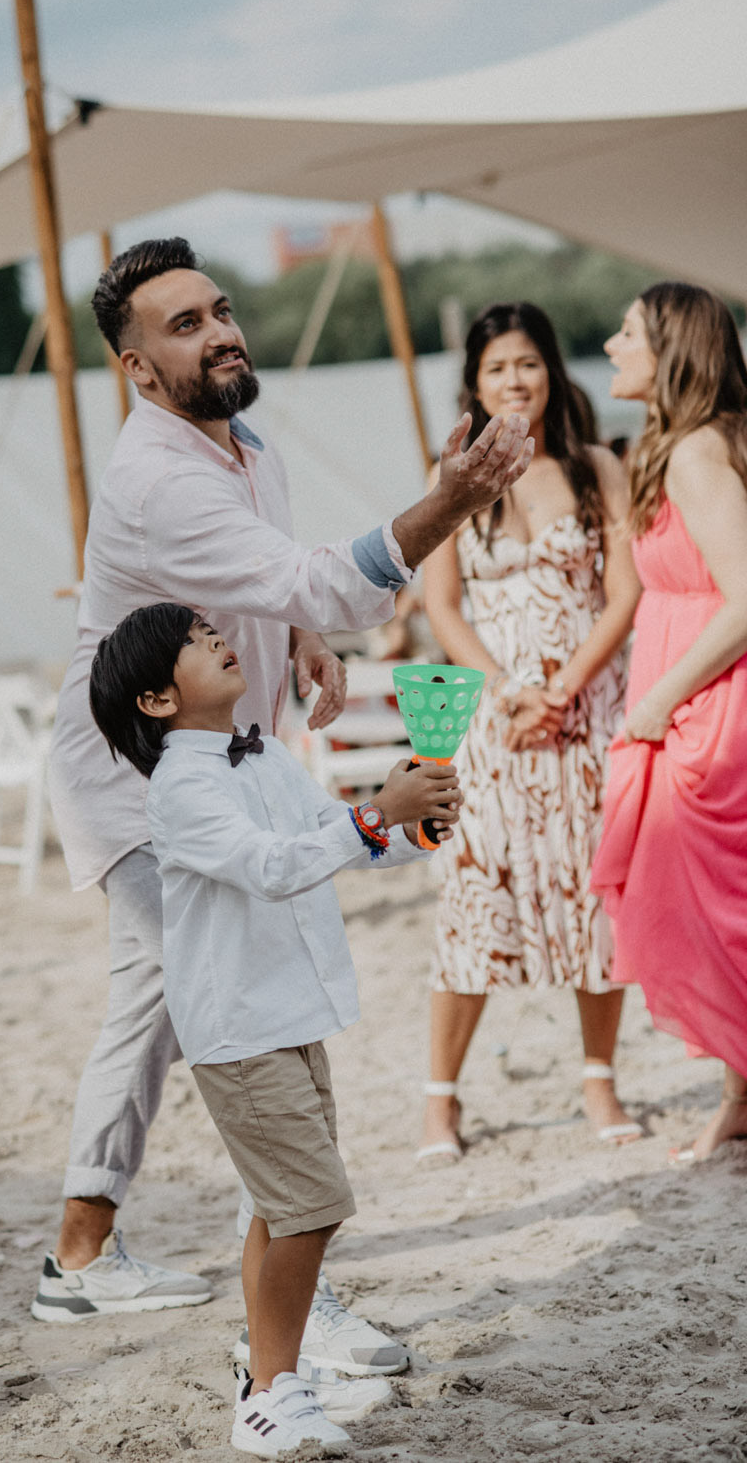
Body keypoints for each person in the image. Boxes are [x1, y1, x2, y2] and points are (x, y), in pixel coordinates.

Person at [33, 237, 533, 1348]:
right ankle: (94, 1254)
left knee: (222, 993)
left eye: (218, 310)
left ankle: (255, 1269)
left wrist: (299, 637)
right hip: (138, 762)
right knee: (185, 993)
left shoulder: (243, 438)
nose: (218, 332)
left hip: (235, 748)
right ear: (136, 369)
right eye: (181, 325)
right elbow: (311, 571)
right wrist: (444, 500)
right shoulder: (153, 477)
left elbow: (271, 569)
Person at [87, 603, 461, 1454]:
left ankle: (270, 1371)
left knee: (280, 1205)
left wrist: (416, 822)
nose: (217, 640)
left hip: (291, 1011)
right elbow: (268, 865)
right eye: (192, 641)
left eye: (210, 631)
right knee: (310, 1208)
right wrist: (376, 815)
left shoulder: (263, 752)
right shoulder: (183, 785)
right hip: (240, 1028)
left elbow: (333, 835)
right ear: (156, 701)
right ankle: (268, 1394)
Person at [416, 301, 643, 1162]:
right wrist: (511, 691)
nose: (515, 380)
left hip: (588, 718)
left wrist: (566, 689)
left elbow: (625, 594)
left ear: (552, 370)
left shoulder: (595, 469)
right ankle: (439, 1101)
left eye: (528, 363)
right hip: (494, 720)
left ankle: (600, 1079)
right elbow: (441, 605)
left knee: (596, 903)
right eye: (497, 367)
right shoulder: (452, 478)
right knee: (475, 903)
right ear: (473, 383)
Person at [591, 282, 747, 1163]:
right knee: (708, 907)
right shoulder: (680, 445)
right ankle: (738, 1096)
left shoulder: (695, 453)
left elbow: (746, 597)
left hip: (709, 708)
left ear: (672, 351)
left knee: (719, 912)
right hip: (691, 698)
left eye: (627, 332)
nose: (613, 345)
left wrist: (655, 703)